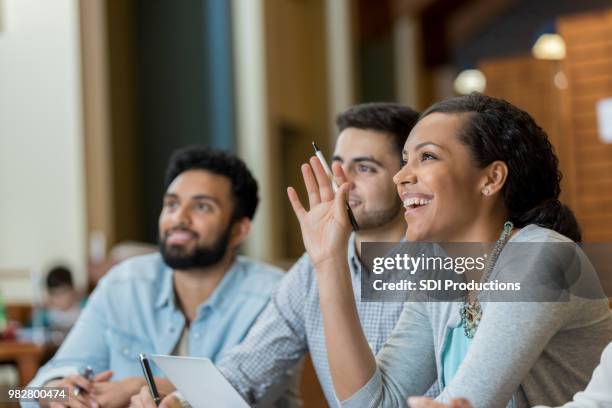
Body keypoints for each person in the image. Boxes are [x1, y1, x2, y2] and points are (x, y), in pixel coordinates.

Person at [287, 93, 612, 407]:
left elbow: (471, 403)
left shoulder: (541, 258)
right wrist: (328, 261)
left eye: (427, 156)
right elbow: (373, 404)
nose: (401, 177)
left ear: (491, 178)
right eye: (404, 161)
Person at [130, 103, 428, 408]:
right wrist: (180, 402)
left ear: (406, 177)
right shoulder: (310, 271)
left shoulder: (443, 266)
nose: (343, 182)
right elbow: (247, 369)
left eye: (365, 168)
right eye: (335, 165)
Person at [27, 146, 284, 408]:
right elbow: (29, 392)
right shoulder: (124, 284)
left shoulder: (273, 295)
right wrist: (56, 392)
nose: (178, 217)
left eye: (202, 207)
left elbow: (244, 392)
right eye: (172, 203)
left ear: (238, 230)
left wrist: (136, 387)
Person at [33, 266, 85, 345]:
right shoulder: (46, 314)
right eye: (55, 294)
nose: (60, 298)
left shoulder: (85, 307)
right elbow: (33, 331)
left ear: (73, 289)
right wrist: (39, 310)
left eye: (63, 292)